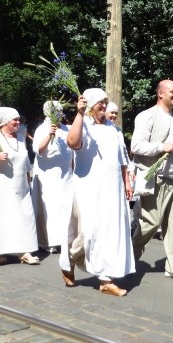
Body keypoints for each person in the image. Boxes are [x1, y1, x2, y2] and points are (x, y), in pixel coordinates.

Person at [64, 89, 134, 296]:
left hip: (113, 189)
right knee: (90, 231)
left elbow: (122, 159)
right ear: (90, 104)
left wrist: (127, 182)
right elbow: (73, 143)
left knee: (110, 231)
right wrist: (79, 113)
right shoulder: (83, 124)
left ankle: (105, 279)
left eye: (106, 102)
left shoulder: (114, 129)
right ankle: (70, 259)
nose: (104, 106)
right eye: (100, 103)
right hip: (90, 187)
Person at [131, 79, 173, 281]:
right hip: (156, 177)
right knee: (150, 223)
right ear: (160, 94)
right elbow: (136, 146)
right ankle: (126, 258)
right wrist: (161, 147)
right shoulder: (147, 116)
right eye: (172, 92)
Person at [0, 107, 39, 266]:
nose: (18, 122)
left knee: (24, 218)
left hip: (20, 186)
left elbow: (24, 161)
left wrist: (28, 177)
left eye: (19, 120)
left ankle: (25, 251)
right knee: (0, 218)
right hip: (0, 186)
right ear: (4, 122)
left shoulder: (20, 137)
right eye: (15, 120)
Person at [32, 100, 75, 253]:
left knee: (65, 207)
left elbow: (72, 149)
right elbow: (38, 149)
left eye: (61, 110)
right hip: (48, 175)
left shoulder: (65, 128)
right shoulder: (42, 129)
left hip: (66, 176)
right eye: (57, 110)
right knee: (50, 207)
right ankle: (48, 240)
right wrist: (49, 134)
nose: (60, 113)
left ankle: (64, 238)